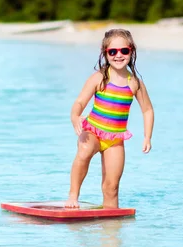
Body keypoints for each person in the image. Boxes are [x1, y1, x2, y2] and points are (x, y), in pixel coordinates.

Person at [65, 28, 154, 209]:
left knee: (111, 187)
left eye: (124, 51)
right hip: (92, 132)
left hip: (115, 139)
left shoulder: (135, 82)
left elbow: (147, 110)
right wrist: (75, 117)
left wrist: (147, 137)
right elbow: (80, 102)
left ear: (131, 51)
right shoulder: (99, 78)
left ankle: (111, 225)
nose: (118, 55)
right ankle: (73, 195)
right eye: (113, 52)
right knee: (83, 153)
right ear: (105, 53)